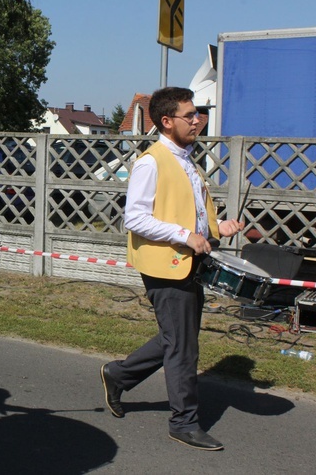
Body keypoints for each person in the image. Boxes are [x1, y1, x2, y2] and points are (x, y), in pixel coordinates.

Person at [99, 87, 243, 451]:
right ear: (167, 121)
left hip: (189, 262)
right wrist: (185, 235)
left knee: (176, 338)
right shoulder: (152, 161)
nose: (198, 121)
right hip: (166, 265)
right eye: (190, 115)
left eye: (198, 114)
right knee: (183, 347)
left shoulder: (187, 160)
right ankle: (184, 422)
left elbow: (189, 211)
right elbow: (135, 218)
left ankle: (118, 374)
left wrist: (217, 227)